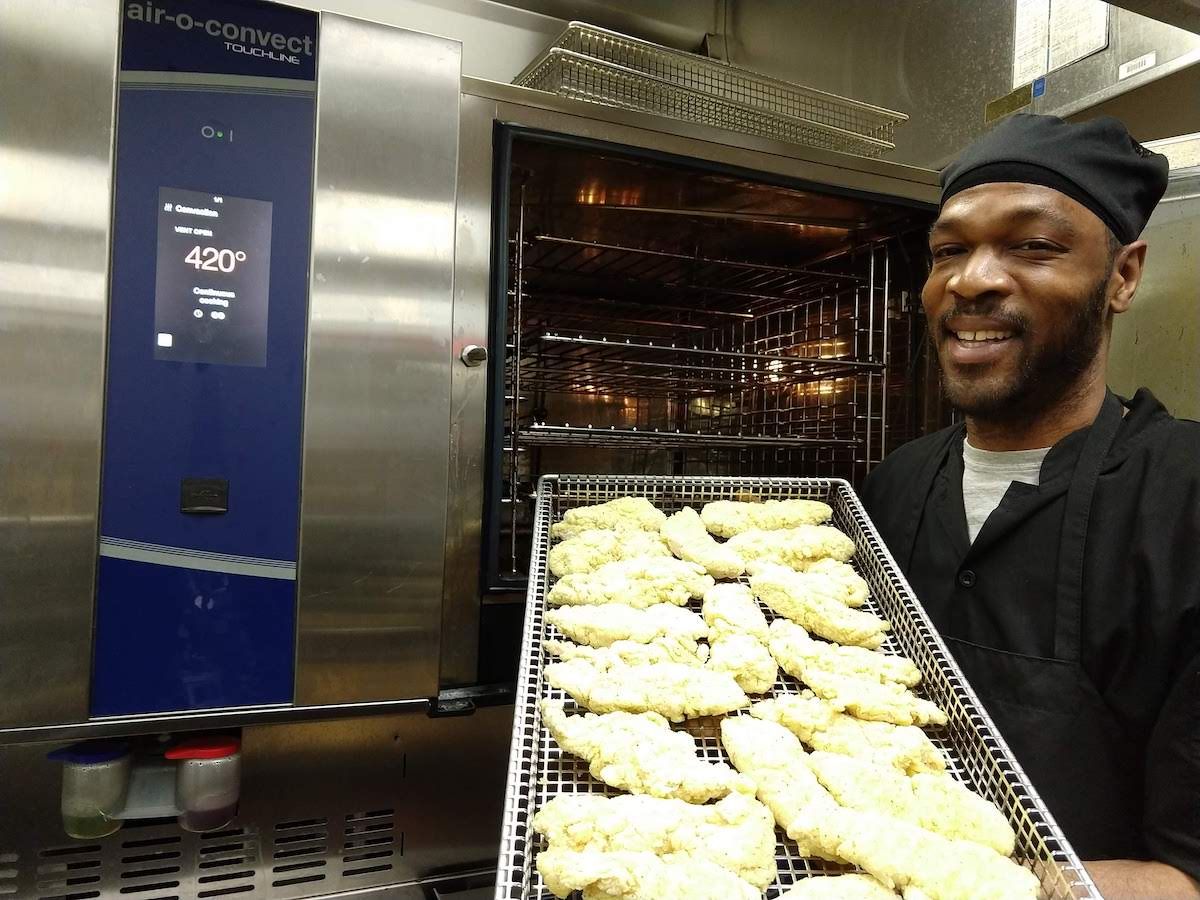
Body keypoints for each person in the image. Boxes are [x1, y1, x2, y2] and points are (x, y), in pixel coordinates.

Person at [861, 113, 1200, 899]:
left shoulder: (1182, 499)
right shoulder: (895, 485)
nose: (970, 280)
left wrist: (962, 886)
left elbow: (1188, 876)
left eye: (1032, 246)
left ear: (1123, 276)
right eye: (948, 251)